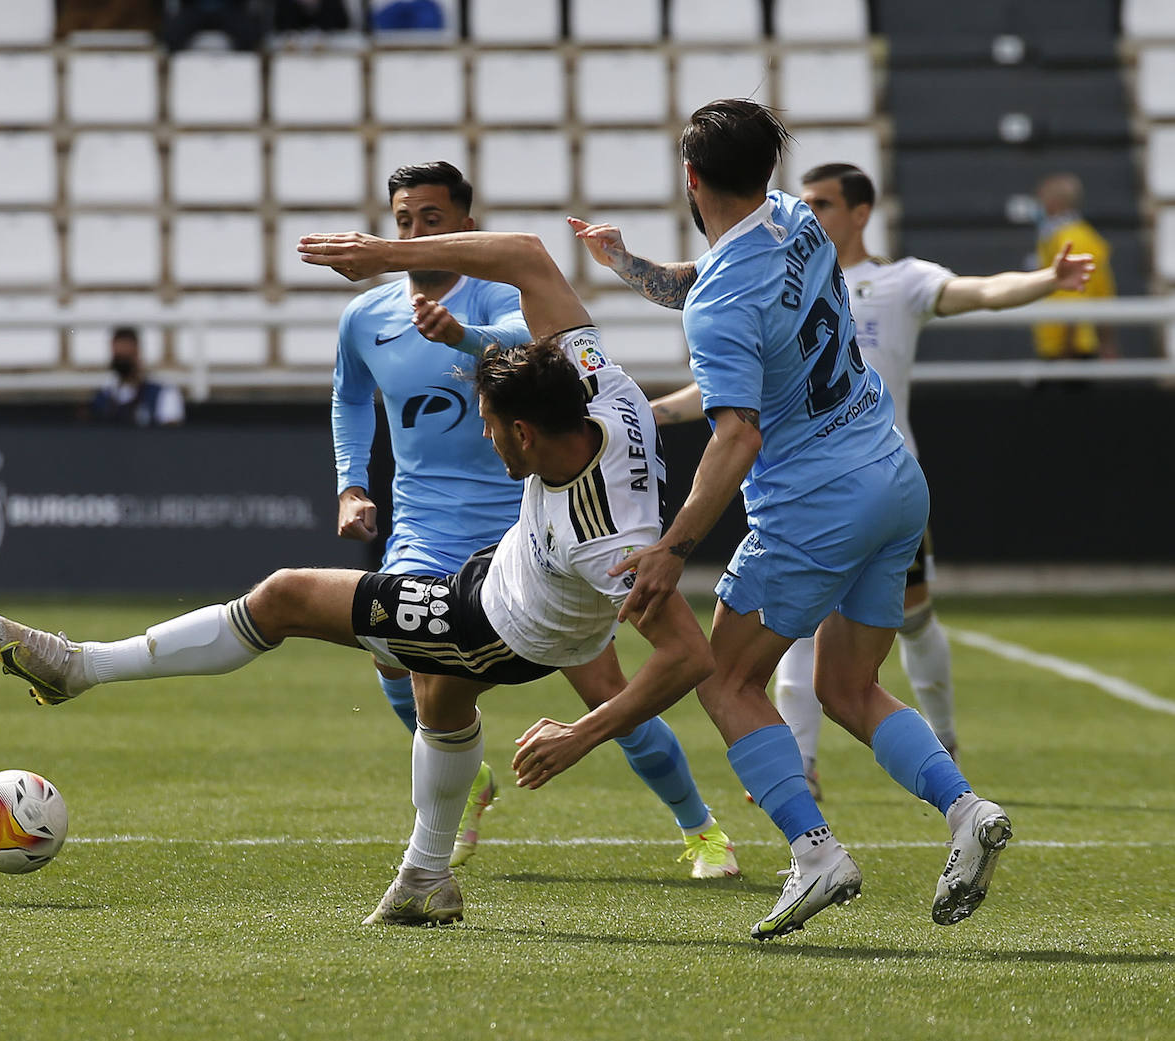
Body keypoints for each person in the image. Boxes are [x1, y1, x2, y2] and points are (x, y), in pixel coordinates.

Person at [0, 228, 723, 929]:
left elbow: (689, 656)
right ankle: (426, 879)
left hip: (498, 627)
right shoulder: (598, 379)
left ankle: (81, 667)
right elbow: (529, 255)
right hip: (499, 574)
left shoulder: (608, 542)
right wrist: (383, 256)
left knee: (285, 597)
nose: (487, 438)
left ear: (525, 431)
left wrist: (581, 735)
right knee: (439, 702)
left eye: (489, 426)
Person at [556, 99, 1012, 940]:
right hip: (894, 479)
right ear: (766, 171)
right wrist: (628, 264)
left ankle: (815, 853)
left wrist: (671, 547)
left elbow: (735, 435)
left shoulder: (719, 304)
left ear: (689, 179)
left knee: (723, 678)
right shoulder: (799, 219)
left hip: (817, 504)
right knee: (847, 685)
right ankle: (966, 808)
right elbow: (717, 284)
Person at [625, 162, 1096, 793]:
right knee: (808, 649)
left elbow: (982, 291)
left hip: (857, 475)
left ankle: (933, 744)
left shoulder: (895, 281)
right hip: (862, 484)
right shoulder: (789, 263)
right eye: (808, 200)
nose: (809, 210)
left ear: (862, 212)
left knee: (904, 623)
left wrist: (1047, 279)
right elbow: (729, 380)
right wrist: (654, 408)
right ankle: (809, 768)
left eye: (824, 202)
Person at [332, 161, 737, 876]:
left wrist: (462, 336)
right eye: (403, 221)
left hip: (523, 530)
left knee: (606, 689)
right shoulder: (365, 318)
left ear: (463, 224)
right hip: (425, 527)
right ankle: (456, 791)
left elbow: (534, 358)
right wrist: (350, 486)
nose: (417, 231)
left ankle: (700, 827)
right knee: (393, 656)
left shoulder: (503, 298)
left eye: (431, 219)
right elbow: (350, 397)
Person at [1031, 172, 1117, 361]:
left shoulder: (1071, 241)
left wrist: (1066, 352)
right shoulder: (1060, 237)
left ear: (1055, 203)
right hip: (1058, 345)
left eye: (1042, 199)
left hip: (1068, 349)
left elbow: (1074, 297)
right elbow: (1105, 293)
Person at [86, 327, 186, 427]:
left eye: (126, 357)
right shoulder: (104, 395)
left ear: (137, 353)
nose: (122, 363)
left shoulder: (163, 393)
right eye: (119, 357)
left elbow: (171, 435)